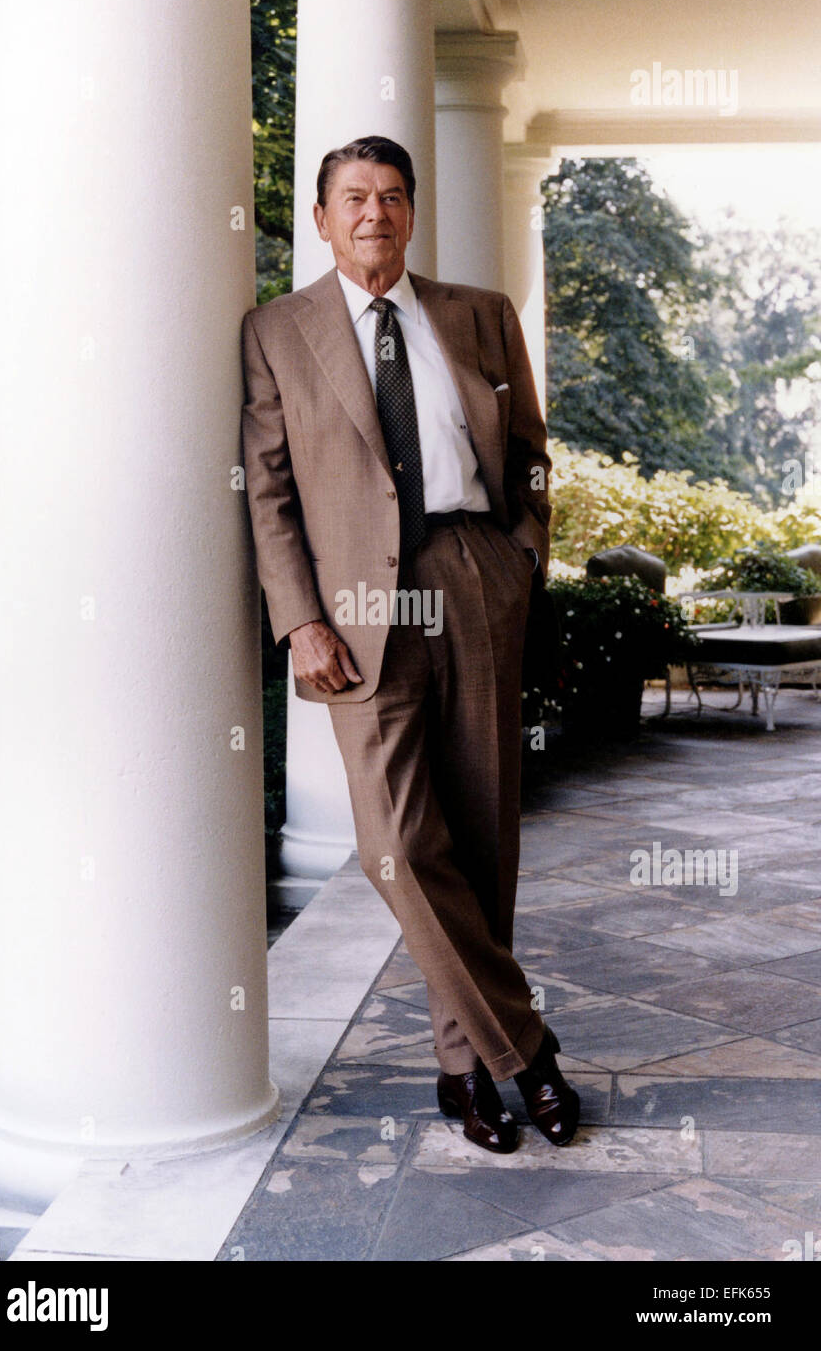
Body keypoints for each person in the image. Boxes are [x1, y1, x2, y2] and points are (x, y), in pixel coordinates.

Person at [241, 134, 579, 1152]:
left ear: (412, 213)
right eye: (353, 197)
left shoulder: (479, 315)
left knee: (481, 840)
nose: (374, 213)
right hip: (352, 612)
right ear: (321, 217)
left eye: (391, 196)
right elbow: (268, 489)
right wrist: (298, 617)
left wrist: (523, 556)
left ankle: (464, 1071)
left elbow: (530, 456)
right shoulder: (276, 331)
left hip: (475, 575)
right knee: (396, 845)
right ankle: (531, 1051)